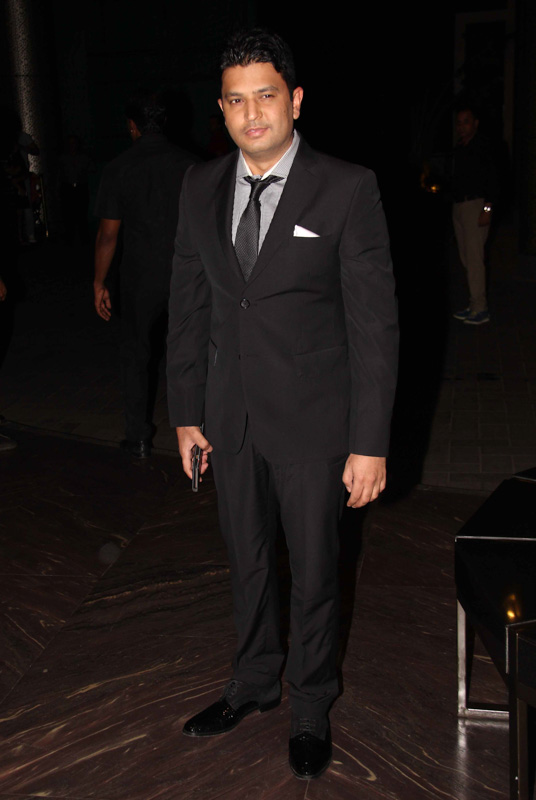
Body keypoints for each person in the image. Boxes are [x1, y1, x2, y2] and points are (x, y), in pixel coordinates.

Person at [167, 29, 398, 780]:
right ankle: (254, 682)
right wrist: (186, 414)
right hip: (229, 418)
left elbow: (374, 325)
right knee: (248, 562)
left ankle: (310, 704)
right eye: (236, 100)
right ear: (222, 110)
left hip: (315, 422)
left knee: (318, 572)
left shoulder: (346, 187)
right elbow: (188, 307)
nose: (252, 113)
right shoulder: (199, 186)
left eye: (265, 96)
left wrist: (370, 442)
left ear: (295, 100)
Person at [94, 91, 195, 457]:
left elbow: (108, 235)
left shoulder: (119, 167)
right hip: (186, 274)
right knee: (189, 353)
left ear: (132, 127)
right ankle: (197, 433)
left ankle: (138, 437)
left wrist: (99, 281)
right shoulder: (192, 165)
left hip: (139, 278)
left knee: (136, 353)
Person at [452, 105, 498, 325]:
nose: (462, 127)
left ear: (475, 123)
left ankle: (481, 308)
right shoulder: (460, 148)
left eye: (466, 122)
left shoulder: (484, 147)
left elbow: (494, 180)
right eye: (459, 123)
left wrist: (487, 209)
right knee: (466, 258)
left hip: (476, 206)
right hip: (459, 206)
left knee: (475, 258)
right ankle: (474, 303)